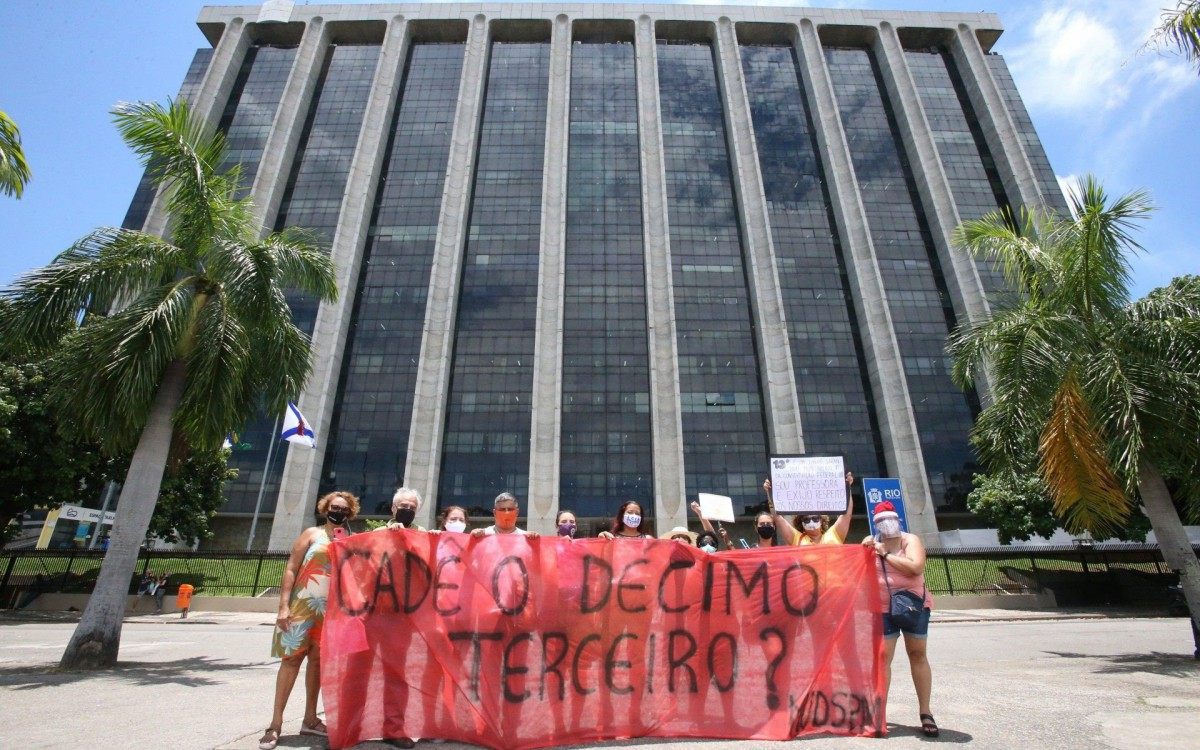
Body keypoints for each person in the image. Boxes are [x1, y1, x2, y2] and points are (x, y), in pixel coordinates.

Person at [259, 491, 360, 750]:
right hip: (302, 605)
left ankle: (310, 719)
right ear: (325, 509)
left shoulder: (351, 540)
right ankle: (275, 724)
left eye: (344, 510)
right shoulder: (311, 534)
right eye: (334, 507)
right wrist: (283, 606)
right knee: (291, 660)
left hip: (331, 611)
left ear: (350, 514)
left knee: (317, 662)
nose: (338, 512)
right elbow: (292, 567)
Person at [862, 501, 937, 738]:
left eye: (890, 519)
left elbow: (915, 567)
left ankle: (925, 712)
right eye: (880, 521)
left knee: (917, 654)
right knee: (883, 658)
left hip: (913, 606)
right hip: (883, 608)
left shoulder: (909, 540)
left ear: (898, 520)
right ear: (875, 524)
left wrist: (885, 554)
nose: (886, 524)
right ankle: (880, 714)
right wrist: (866, 548)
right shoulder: (872, 543)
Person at [763, 471, 855, 545]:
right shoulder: (796, 539)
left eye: (815, 518)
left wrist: (848, 487)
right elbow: (778, 518)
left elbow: (847, 514)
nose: (811, 522)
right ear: (801, 522)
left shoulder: (835, 533)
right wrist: (769, 492)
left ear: (821, 520)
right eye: (806, 519)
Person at [472, 493, 538, 537]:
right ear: (494, 513)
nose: (507, 513)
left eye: (510, 509)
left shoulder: (526, 538)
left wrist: (534, 543)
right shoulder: (482, 535)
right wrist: (472, 539)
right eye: (502, 509)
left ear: (517, 512)